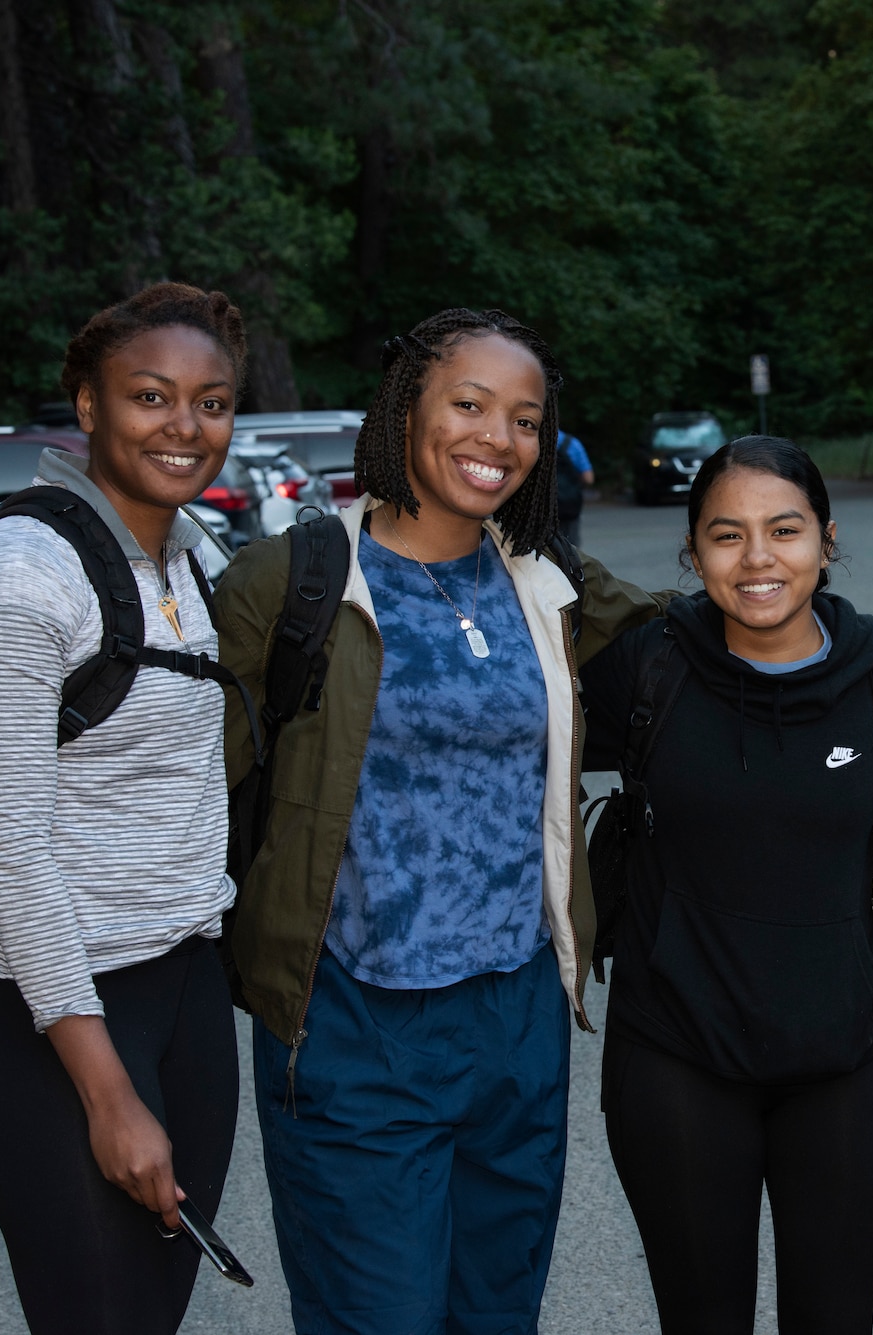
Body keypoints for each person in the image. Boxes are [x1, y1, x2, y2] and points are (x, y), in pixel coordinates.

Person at [213, 308, 672, 1334]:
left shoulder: (546, 582)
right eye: (467, 405)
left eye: (523, 419)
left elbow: (693, 658)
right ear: (403, 409)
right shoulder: (287, 583)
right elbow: (182, 787)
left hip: (517, 1020)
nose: (496, 439)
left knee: (494, 1318)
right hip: (353, 1022)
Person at [0, 282, 247, 1334]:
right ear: (88, 407)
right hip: (45, 1014)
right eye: (150, 397)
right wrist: (107, 1096)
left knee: (149, 1312)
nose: (184, 426)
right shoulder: (15, 580)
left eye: (211, 401)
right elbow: (8, 847)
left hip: (182, 981)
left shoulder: (186, 556)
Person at [579, 436, 873, 1335]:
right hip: (677, 1058)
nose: (759, 558)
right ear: (693, 553)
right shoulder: (643, 669)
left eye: (785, 530)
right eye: (727, 535)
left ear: (827, 539)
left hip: (847, 1063)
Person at [555, 428, 595, 546]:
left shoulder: (533, 442)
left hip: (541, 506)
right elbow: (589, 478)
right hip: (569, 504)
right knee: (571, 546)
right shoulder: (572, 444)